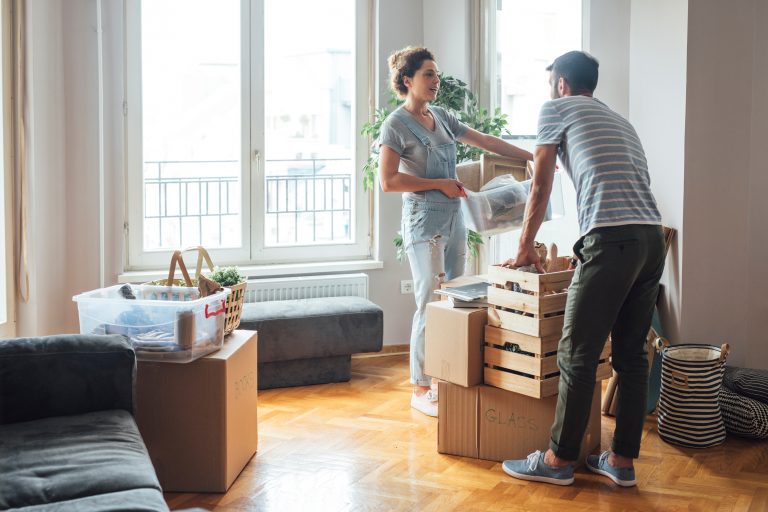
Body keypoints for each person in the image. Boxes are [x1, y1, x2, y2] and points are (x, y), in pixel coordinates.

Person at [501, 51, 664, 487]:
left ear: (560, 84)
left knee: (576, 353)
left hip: (613, 240)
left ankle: (557, 461)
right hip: (650, 238)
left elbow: (541, 179)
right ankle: (622, 462)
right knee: (631, 356)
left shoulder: (555, 108)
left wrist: (523, 246)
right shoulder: (618, 120)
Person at [378, 46, 533, 417]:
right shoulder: (395, 125)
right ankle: (420, 385)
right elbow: (387, 181)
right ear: (407, 80)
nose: (436, 80)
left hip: (455, 218)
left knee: (456, 300)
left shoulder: (443, 116)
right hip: (423, 223)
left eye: (437, 73)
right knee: (429, 302)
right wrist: (438, 184)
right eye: (429, 74)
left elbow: (486, 142)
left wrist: (532, 156)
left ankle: (445, 376)